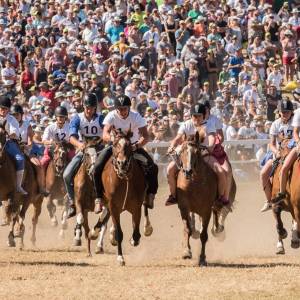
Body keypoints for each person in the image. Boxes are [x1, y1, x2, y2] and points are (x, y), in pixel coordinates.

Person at [92, 94, 158, 210]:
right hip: (115, 147)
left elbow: (146, 136)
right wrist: (113, 140)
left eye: (124, 109)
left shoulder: (136, 116)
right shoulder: (111, 116)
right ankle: (98, 198)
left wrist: (136, 146)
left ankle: (150, 195)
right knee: (97, 167)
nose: (122, 111)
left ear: (128, 108)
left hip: (132, 146)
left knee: (152, 167)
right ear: (116, 109)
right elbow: (105, 134)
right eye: (120, 109)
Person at [165, 103, 228, 206]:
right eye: (194, 115)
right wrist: (172, 146)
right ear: (191, 116)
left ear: (203, 116)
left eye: (199, 116)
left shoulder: (209, 124)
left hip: (204, 153)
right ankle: (173, 196)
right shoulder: (186, 124)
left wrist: (211, 147)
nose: (197, 118)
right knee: (169, 170)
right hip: (187, 153)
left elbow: (212, 137)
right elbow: (178, 138)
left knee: (220, 171)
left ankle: (220, 197)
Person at [63, 94, 104, 218]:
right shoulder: (77, 118)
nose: (89, 110)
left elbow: (108, 131)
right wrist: (79, 144)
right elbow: (71, 137)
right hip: (84, 150)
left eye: (91, 108)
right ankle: (71, 201)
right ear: (83, 106)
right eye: (87, 107)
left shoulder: (101, 118)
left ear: (95, 108)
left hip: (99, 150)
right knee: (66, 175)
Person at [260, 100, 294, 212]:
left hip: (294, 151)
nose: (285, 114)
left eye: (287, 112)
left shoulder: (296, 122)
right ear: (279, 112)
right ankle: (269, 200)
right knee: (263, 173)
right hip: (279, 153)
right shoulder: (275, 124)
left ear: (291, 112)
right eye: (283, 112)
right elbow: (272, 144)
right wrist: (276, 152)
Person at [41, 106, 72, 194]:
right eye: (59, 116)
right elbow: (44, 141)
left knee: (74, 161)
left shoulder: (69, 127)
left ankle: (72, 184)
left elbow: (73, 139)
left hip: (66, 149)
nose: (61, 118)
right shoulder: (50, 127)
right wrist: (52, 143)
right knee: (42, 163)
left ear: (66, 117)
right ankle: (41, 184)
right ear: (56, 117)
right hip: (51, 150)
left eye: (63, 116)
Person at [0, 97, 27, 194]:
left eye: (5, 108)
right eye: (1, 108)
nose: (3, 110)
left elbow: (14, 133)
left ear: (8, 109)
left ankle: (18, 186)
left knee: (20, 159)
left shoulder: (12, 120)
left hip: (9, 142)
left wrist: (6, 134)